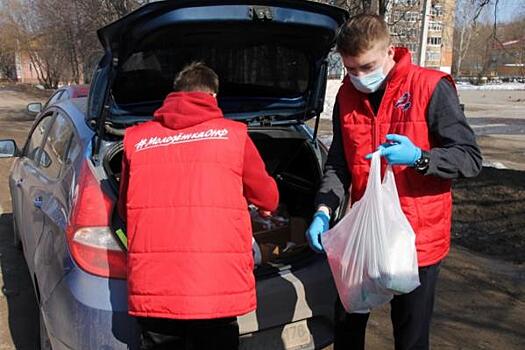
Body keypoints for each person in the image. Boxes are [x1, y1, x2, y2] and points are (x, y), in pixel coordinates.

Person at [306, 14, 482, 350]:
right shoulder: (346, 96)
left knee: (411, 336)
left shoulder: (430, 87)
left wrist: (420, 158)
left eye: (366, 67)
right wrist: (324, 209)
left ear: (390, 52)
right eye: (350, 70)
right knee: (347, 324)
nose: (359, 78)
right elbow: (339, 164)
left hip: (417, 241)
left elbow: (470, 159)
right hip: (366, 233)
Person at [118, 62, 279, 349]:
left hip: (156, 287)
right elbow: (268, 199)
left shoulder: (136, 139)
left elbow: (124, 210)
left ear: (175, 94)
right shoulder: (234, 135)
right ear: (213, 97)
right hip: (214, 286)